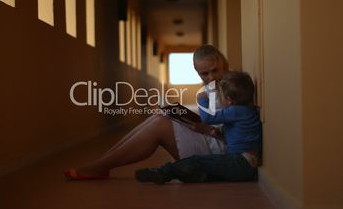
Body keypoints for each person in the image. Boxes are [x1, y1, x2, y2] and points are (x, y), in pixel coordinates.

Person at [64, 45, 230, 180]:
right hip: (209, 141)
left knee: (160, 124)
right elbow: (212, 119)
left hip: (219, 153)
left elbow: (232, 131)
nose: (211, 77)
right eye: (204, 73)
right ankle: (101, 163)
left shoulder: (233, 87)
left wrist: (204, 127)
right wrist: (188, 118)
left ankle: (99, 167)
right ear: (197, 71)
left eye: (215, 70)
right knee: (160, 116)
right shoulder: (210, 88)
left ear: (224, 64)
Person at [134, 71, 262, 185]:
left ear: (229, 100)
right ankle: (181, 174)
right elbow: (242, 138)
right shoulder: (246, 111)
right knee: (203, 165)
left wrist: (202, 99)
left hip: (241, 163)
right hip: (244, 162)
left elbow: (208, 118)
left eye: (221, 96)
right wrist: (219, 134)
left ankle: (163, 172)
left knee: (197, 161)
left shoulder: (236, 111)